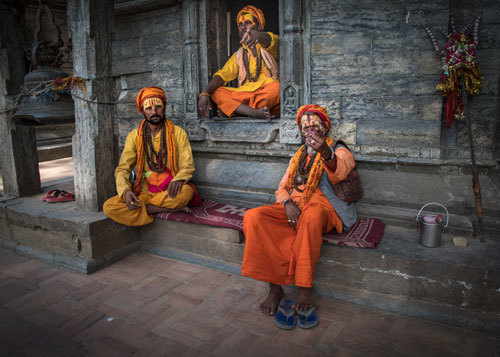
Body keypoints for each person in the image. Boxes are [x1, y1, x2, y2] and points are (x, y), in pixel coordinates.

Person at [241, 104, 358, 325]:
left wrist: (325, 151)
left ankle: (305, 288)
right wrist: (287, 203)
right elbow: (282, 187)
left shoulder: (339, 149)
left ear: (325, 128)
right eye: (306, 128)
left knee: (311, 217)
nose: (310, 132)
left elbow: (341, 169)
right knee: (253, 217)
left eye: (315, 126)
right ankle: (275, 289)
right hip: (293, 206)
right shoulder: (299, 156)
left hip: (322, 209)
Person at [103, 86, 200, 226]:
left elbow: (188, 165)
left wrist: (180, 179)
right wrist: (125, 191)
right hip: (143, 192)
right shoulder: (134, 136)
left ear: (164, 108)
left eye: (158, 107)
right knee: (109, 206)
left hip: (169, 190)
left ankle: (148, 208)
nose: (154, 112)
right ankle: (166, 209)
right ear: (143, 111)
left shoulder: (178, 133)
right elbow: (123, 169)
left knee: (186, 192)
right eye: (149, 109)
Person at [197, 5, 280, 121]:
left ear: (259, 26)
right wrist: (204, 93)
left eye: (247, 23)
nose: (243, 27)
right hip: (244, 95)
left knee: (277, 88)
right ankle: (253, 112)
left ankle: (238, 111)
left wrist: (257, 36)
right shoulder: (239, 55)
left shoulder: (269, 44)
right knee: (216, 92)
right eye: (240, 25)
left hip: (265, 93)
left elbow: (269, 40)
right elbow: (222, 75)